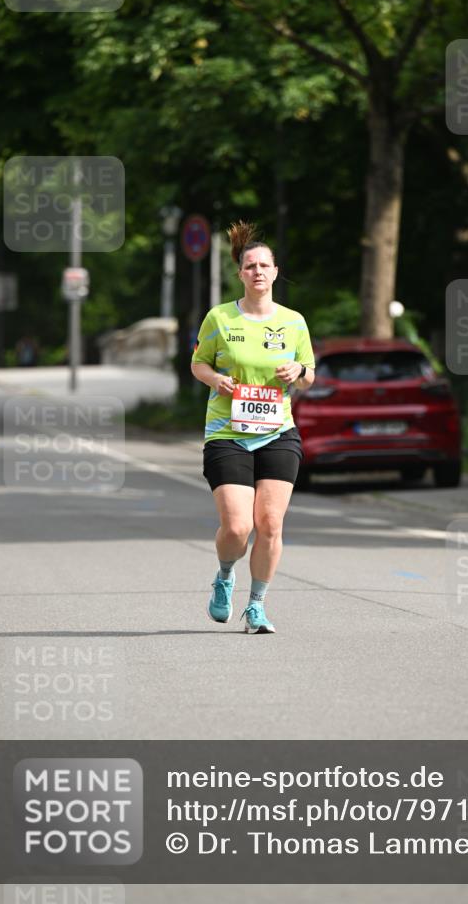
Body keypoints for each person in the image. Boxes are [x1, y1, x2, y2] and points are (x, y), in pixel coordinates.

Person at [191, 221, 315, 634]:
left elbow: (309, 374)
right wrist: (215, 379)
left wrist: (298, 371)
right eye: (250, 266)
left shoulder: (294, 322)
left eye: (264, 265)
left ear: (275, 272)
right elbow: (198, 363)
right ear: (240, 273)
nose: (258, 271)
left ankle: (257, 605)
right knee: (238, 527)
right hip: (228, 433)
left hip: (278, 432)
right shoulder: (220, 318)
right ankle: (225, 575)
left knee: (271, 524)